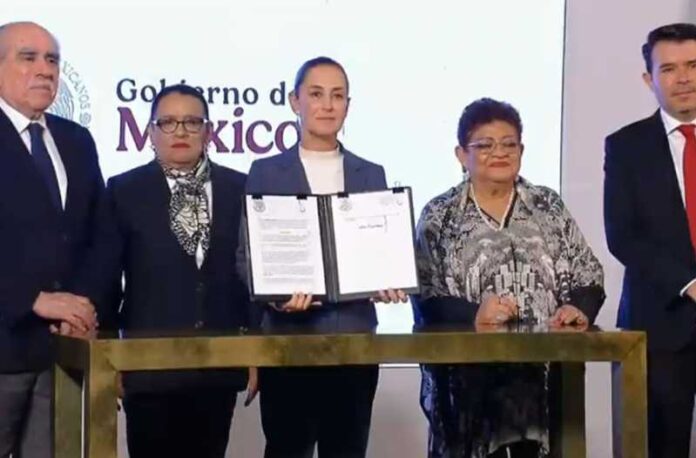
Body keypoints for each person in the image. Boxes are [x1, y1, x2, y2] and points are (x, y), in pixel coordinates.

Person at [413, 98, 605, 458]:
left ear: (522, 150)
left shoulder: (547, 206)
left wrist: (577, 308)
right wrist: (474, 314)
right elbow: (426, 295)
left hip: (544, 382)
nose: (499, 153)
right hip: (468, 387)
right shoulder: (439, 215)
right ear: (461, 154)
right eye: (485, 145)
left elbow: (588, 272)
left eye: (509, 144)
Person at [77, 84, 256, 458]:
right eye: (168, 122)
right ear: (150, 132)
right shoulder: (124, 190)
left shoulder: (240, 188)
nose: (180, 131)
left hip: (220, 364)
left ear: (209, 131)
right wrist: (108, 359)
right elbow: (107, 282)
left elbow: (252, 278)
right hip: (147, 369)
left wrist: (257, 350)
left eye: (192, 122)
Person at [244, 56, 405, 458]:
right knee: (286, 449)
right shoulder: (265, 171)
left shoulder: (372, 173)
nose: (328, 105)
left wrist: (388, 279)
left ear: (349, 104)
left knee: (348, 450)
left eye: (338, 96)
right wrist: (276, 297)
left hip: (354, 342)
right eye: (316, 94)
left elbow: (381, 250)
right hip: (287, 343)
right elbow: (246, 256)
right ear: (294, 101)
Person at [0, 21, 100, 458]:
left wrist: (84, 305)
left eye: (53, 60)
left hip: (63, 353)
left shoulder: (76, 140)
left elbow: (100, 234)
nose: (45, 69)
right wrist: (31, 299)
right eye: (29, 58)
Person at [604, 22, 696, 458]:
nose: (684, 78)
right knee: (661, 448)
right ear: (649, 79)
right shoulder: (626, 146)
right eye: (669, 69)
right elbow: (623, 235)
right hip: (660, 326)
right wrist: (689, 283)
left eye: (693, 65)